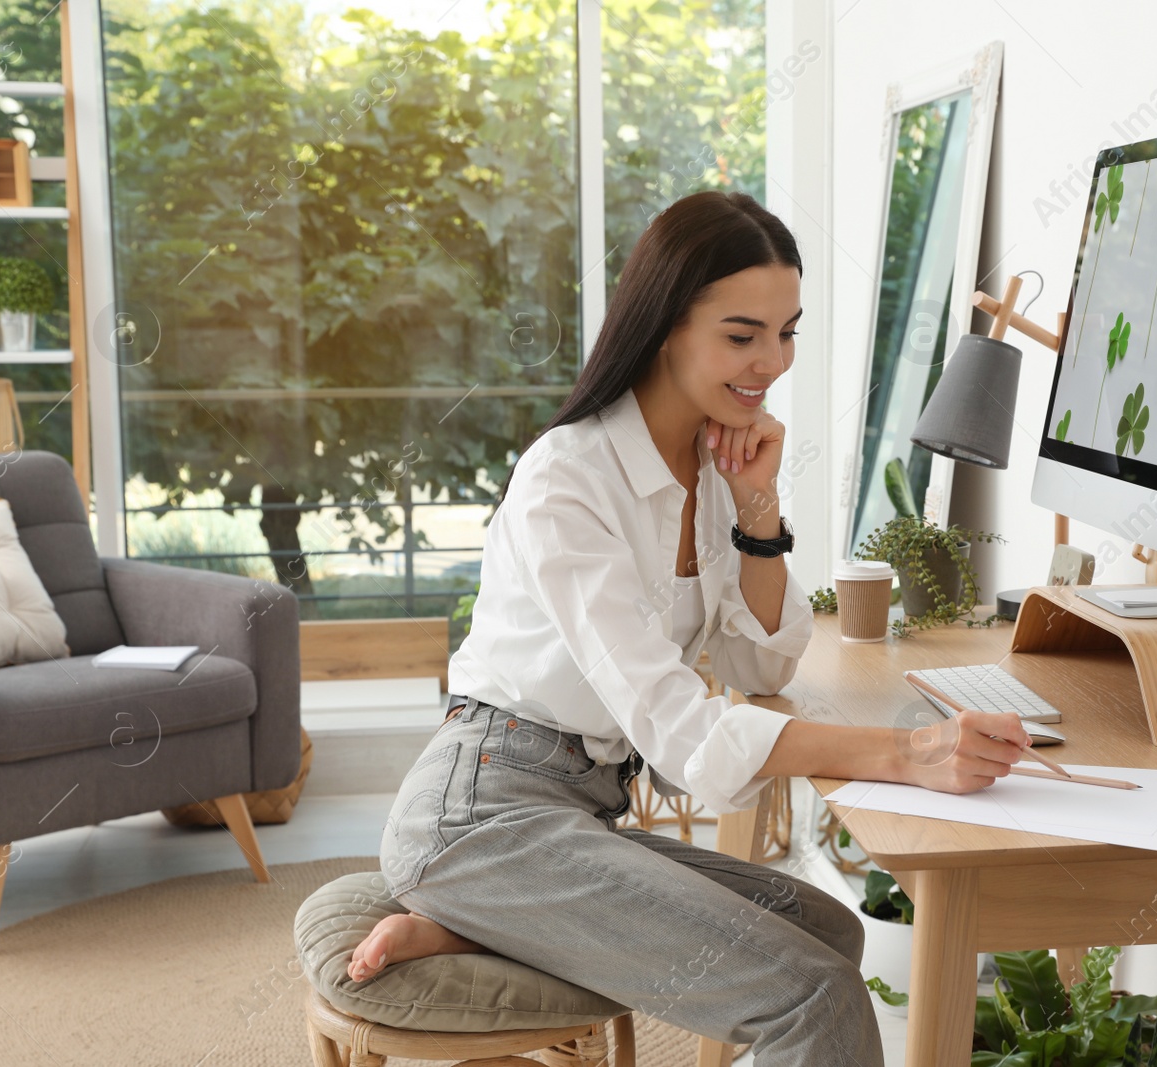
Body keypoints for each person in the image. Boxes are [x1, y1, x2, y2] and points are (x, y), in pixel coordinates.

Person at [349, 190, 1032, 1066]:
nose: (771, 362)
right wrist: (904, 753)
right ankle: (475, 908)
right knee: (812, 994)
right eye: (742, 335)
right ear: (666, 324)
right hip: (482, 809)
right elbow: (674, 721)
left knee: (828, 930)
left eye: (787, 333)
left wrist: (757, 510)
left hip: (578, 810)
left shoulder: (711, 469)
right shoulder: (568, 479)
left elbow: (758, 659)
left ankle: (480, 928)